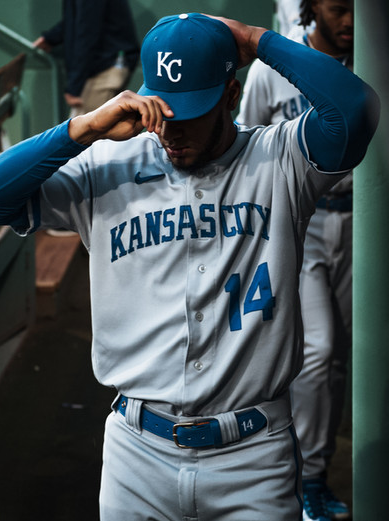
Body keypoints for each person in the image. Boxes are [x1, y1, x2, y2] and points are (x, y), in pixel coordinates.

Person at [0, 12, 379, 521]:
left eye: (191, 114)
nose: (171, 130)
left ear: (231, 96)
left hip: (254, 456)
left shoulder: (279, 158)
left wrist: (256, 39)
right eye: (164, 110)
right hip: (137, 453)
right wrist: (81, 130)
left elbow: (355, 109)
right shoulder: (106, 165)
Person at [237, 1, 355, 520]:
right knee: (317, 350)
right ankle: (303, 478)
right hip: (299, 222)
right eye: (337, 8)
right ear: (312, 7)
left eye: (356, 9)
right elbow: (242, 148)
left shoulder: (372, 64)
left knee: (341, 356)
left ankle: (316, 473)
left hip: (361, 220)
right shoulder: (273, 68)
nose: (349, 20)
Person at [33, 0, 140, 116]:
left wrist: (74, 87)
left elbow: (87, 31)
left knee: (85, 125)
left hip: (104, 67)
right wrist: (50, 38)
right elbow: (79, 19)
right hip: (107, 64)